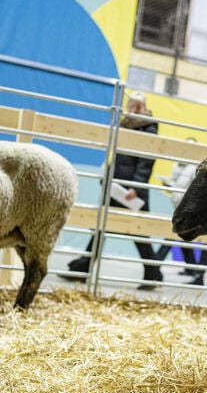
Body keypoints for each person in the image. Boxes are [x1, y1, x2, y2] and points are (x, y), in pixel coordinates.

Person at [66, 92, 163, 289]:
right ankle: (83, 268)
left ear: (145, 108)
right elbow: (115, 156)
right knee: (101, 227)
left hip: (133, 191)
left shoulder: (149, 129)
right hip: (116, 187)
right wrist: (108, 178)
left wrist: (136, 187)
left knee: (139, 233)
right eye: (131, 106)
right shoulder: (123, 125)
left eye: (138, 107)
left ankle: (153, 273)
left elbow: (146, 161)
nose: (134, 110)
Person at [161, 138, 207, 286]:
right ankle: (193, 269)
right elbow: (179, 184)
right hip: (180, 206)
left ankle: (156, 262)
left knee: (177, 232)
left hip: (190, 209)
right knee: (182, 233)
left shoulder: (197, 167)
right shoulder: (179, 164)